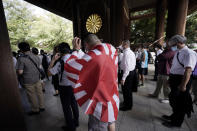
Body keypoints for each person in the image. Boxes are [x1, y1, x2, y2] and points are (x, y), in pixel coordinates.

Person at [64, 34, 119, 131]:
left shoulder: (93, 56)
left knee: (97, 127)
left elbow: (69, 67)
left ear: (86, 44)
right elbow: (90, 59)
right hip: (112, 95)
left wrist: (76, 50)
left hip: (100, 101)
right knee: (111, 122)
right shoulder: (111, 49)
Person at [162, 35, 197, 127]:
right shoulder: (178, 52)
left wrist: (183, 85)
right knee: (173, 99)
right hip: (175, 78)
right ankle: (174, 116)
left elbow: (188, 70)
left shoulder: (189, 53)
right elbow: (174, 68)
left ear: (179, 43)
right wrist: (170, 79)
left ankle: (176, 122)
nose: (172, 46)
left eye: (173, 44)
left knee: (180, 102)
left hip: (182, 80)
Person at [48, 42, 80, 131]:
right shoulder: (75, 58)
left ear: (60, 52)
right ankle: (76, 122)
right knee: (74, 104)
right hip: (74, 85)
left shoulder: (60, 62)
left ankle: (71, 126)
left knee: (66, 107)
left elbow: (49, 73)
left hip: (64, 87)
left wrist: (53, 60)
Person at [16, 42, 45, 115]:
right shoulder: (36, 56)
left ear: (21, 49)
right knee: (39, 93)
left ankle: (35, 110)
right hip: (37, 78)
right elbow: (40, 67)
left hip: (28, 80)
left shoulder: (21, 59)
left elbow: (20, 72)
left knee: (31, 95)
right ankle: (42, 106)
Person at [119, 40, 137, 111]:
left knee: (126, 90)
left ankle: (127, 106)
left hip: (127, 73)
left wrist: (123, 78)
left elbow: (127, 67)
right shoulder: (130, 52)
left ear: (125, 45)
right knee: (127, 90)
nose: (121, 46)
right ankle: (127, 103)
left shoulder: (126, 53)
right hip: (131, 72)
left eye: (122, 44)